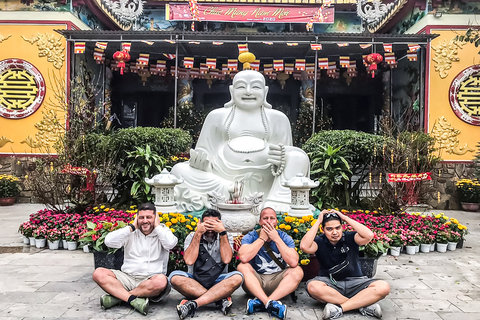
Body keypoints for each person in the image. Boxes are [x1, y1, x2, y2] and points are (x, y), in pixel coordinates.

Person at [171, 69, 310, 212]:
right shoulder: (216, 116)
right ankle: (235, 191)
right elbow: (204, 152)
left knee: (298, 157)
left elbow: (286, 156)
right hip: (223, 180)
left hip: (267, 182)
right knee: (178, 170)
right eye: (241, 87)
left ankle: (276, 201)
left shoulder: (278, 118)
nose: (248, 92)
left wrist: (282, 157)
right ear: (232, 91)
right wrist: (202, 162)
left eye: (255, 87)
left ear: (265, 91)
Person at [300, 210, 390, 319]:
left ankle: (340, 307)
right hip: (331, 284)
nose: (335, 232)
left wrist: (346, 218)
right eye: (329, 229)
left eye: (338, 228)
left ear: (342, 227)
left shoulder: (350, 238)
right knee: (313, 287)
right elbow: (304, 246)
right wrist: (318, 221)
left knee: (383, 287)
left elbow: (369, 235)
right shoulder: (319, 241)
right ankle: (361, 305)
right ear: (323, 230)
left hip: (356, 282)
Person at [92, 202, 178, 316]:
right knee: (98, 273)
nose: (145, 220)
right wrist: (131, 227)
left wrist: (157, 227)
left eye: (149, 217)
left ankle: (120, 297)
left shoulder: (162, 231)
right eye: (141, 217)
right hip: (128, 277)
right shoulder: (130, 232)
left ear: (156, 218)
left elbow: (171, 244)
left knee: (161, 281)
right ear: (137, 218)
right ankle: (132, 299)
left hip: (150, 280)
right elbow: (108, 242)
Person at [169, 209, 244, 319]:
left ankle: (194, 303)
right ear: (201, 223)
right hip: (195, 280)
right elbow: (189, 260)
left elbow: (227, 259)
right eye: (207, 224)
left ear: (220, 223)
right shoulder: (192, 236)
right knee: (174, 277)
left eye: (213, 224)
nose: (210, 228)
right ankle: (218, 299)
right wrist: (198, 233)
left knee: (238, 277)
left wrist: (222, 232)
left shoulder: (226, 235)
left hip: (219, 281)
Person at [236, 207, 304, 319]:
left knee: (297, 271)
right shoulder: (251, 236)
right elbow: (243, 257)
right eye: (265, 218)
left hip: (278, 282)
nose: (268, 221)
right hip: (255, 282)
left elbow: (293, 262)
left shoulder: (284, 237)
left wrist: (276, 239)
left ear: (276, 221)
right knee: (242, 267)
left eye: (272, 218)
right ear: (260, 221)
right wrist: (262, 239)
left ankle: (263, 302)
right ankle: (270, 304)